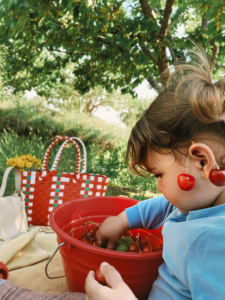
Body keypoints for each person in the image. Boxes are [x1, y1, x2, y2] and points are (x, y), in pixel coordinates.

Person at [85, 48, 225, 300]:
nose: (159, 187)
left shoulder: (211, 245)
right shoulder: (199, 202)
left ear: (202, 163)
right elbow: (166, 206)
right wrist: (122, 220)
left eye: (158, 175)